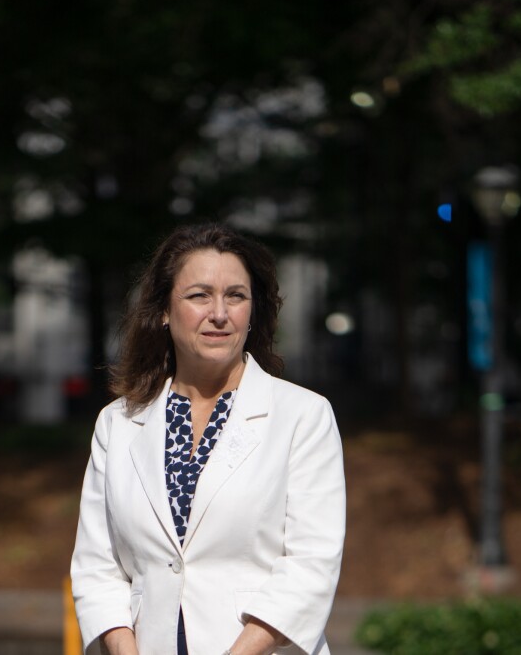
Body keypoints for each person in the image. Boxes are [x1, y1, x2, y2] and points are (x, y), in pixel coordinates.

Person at [71, 223, 346, 655]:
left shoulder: (303, 416)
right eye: (199, 295)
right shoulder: (117, 424)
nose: (219, 313)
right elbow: (97, 565)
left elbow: (311, 565)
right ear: (163, 310)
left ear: (253, 311)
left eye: (235, 296)